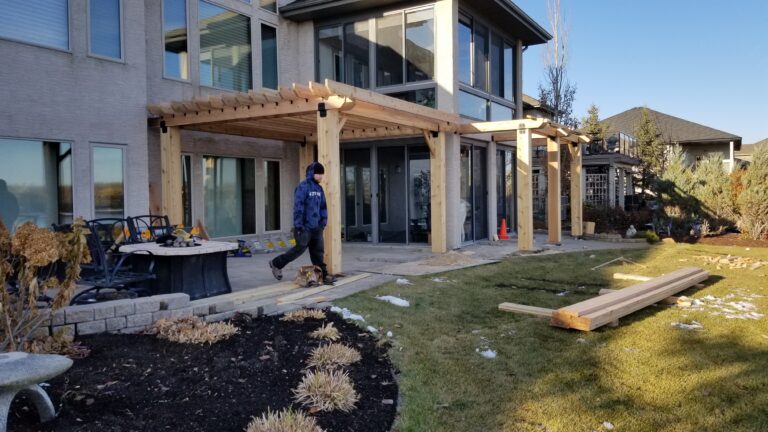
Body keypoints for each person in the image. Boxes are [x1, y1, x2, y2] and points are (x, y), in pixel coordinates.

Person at [269, 162, 335, 284]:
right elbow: (298, 207)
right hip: (304, 228)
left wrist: (323, 222)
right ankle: (276, 263)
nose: (321, 176)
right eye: (318, 173)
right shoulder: (302, 187)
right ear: (312, 173)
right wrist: (299, 226)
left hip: (317, 227)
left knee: (318, 252)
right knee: (298, 250)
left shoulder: (319, 189)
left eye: (322, 174)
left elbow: (323, 207)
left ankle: (323, 275)